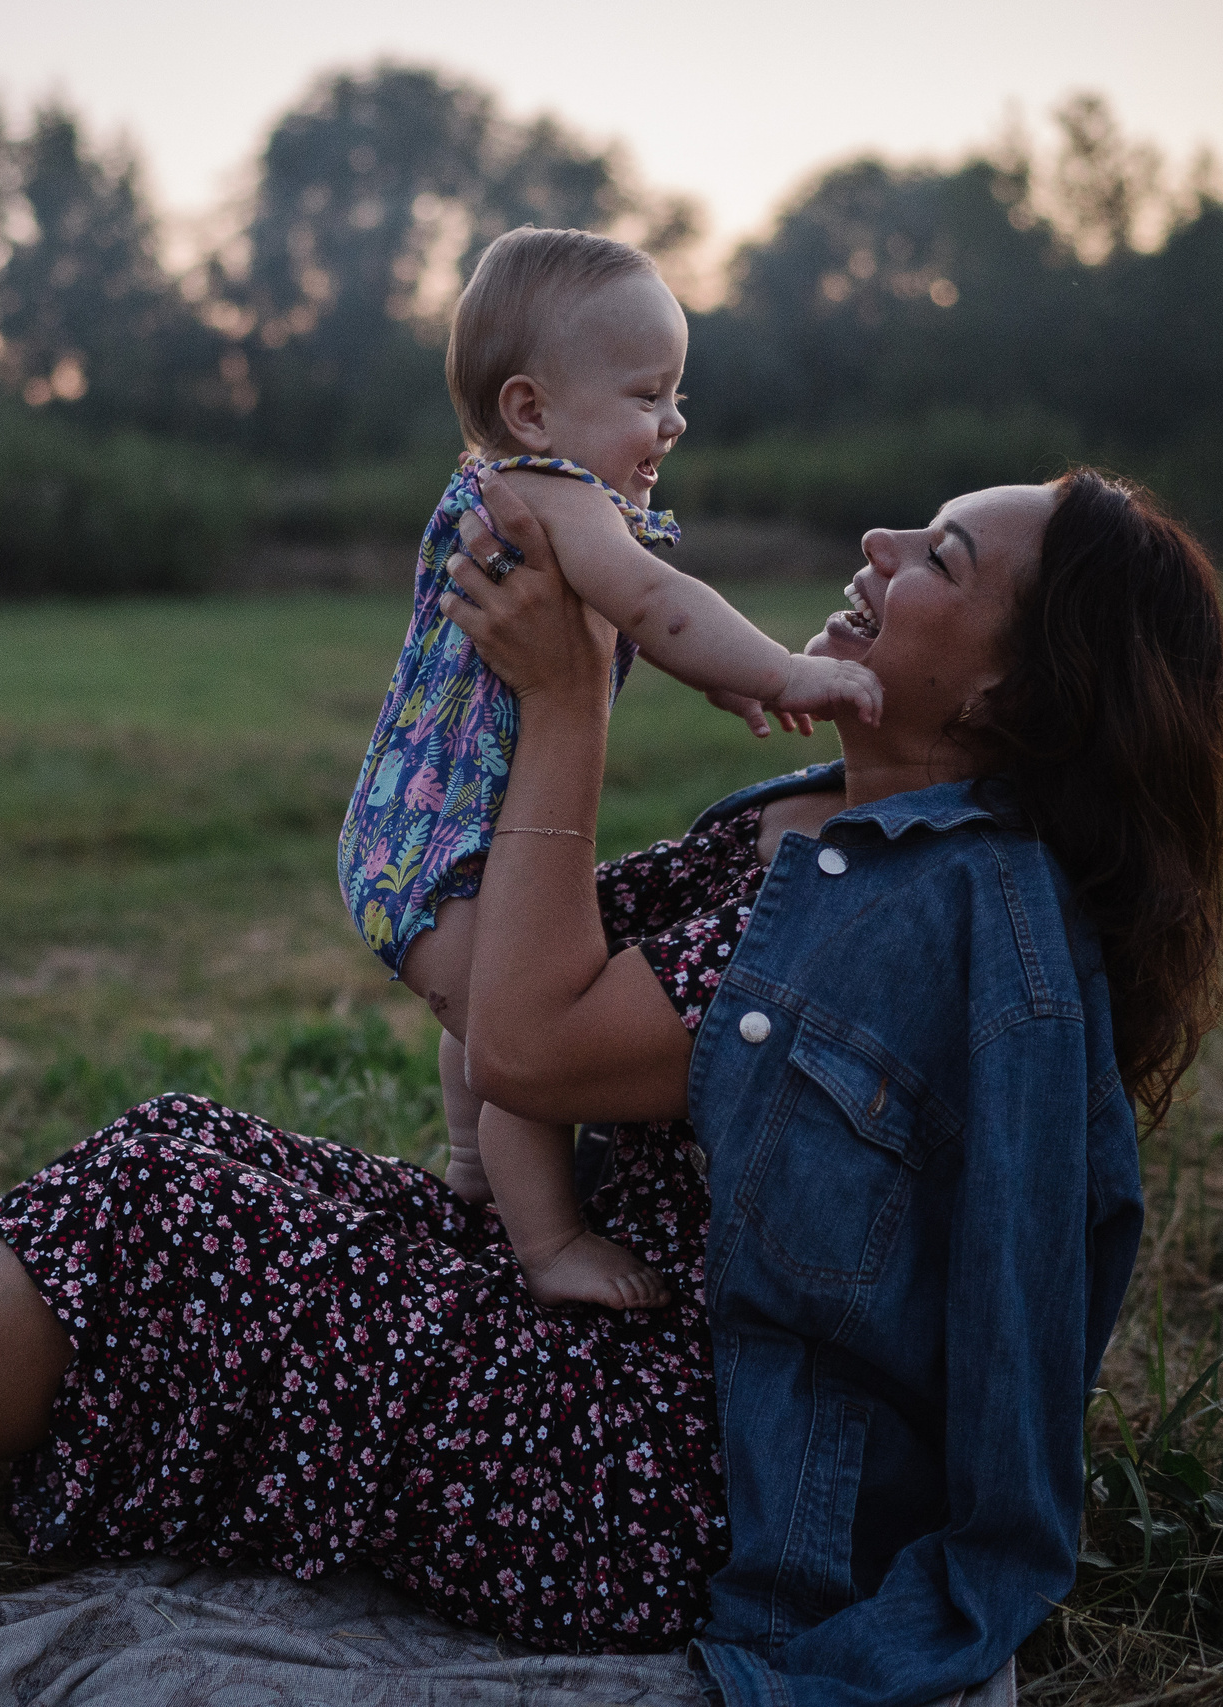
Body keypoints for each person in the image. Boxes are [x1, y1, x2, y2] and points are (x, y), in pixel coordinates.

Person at [0, 468, 1223, 1707]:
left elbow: (533, 1039)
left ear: (1019, 690)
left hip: (680, 1462)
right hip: (602, 1329)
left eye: (939, 558)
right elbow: (513, 998)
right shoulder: (827, 824)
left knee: (168, 1216)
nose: (873, 542)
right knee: (173, 1155)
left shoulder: (930, 911)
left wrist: (570, 710)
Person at [340, 225, 878, 1313]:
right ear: (531, 408)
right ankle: (548, 1245)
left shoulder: (518, 492)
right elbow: (656, 605)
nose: (672, 421)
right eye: (646, 395)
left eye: (675, 394)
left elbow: (648, 623)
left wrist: (716, 679)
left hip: (412, 831)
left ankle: (474, 1178)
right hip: (445, 842)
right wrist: (778, 671)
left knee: (491, 1009)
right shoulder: (551, 494)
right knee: (522, 1040)